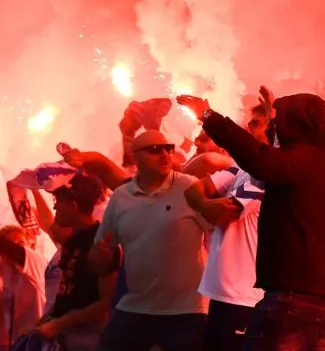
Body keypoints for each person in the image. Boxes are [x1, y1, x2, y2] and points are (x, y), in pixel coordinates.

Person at [179, 91, 325, 351]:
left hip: (291, 298)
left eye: (280, 120)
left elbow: (259, 159)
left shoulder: (305, 160)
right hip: (303, 296)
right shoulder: (316, 161)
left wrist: (209, 116)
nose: (275, 127)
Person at [88, 130, 211, 351]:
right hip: (136, 306)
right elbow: (99, 259)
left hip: (186, 310)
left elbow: (220, 231)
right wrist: (100, 258)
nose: (164, 155)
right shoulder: (120, 197)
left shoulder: (189, 186)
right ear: (135, 157)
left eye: (168, 148)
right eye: (155, 150)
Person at [184, 102, 271, 351]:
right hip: (222, 293)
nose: (248, 128)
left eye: (256, 123)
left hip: (244, 296)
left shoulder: (263, 176)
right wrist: (205, 203)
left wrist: (206, 204)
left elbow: (220, 213)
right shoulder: (241, 169)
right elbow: (193, 191)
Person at [31, 173, 114, 351]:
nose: (54, 208)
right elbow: (49, 225)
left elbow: (107, 303)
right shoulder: (72, 239)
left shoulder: (101, 244)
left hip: (87, 337)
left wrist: (60, 323)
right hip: (64, 333)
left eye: (57, 203)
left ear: (73, 206)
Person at [0, 225, 49, 349]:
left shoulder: (36, 261)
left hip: (39, 341)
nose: (19, 246)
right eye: (13, 244)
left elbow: (13, 251)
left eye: (21, 242)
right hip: (18, 342)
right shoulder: (7, 268)